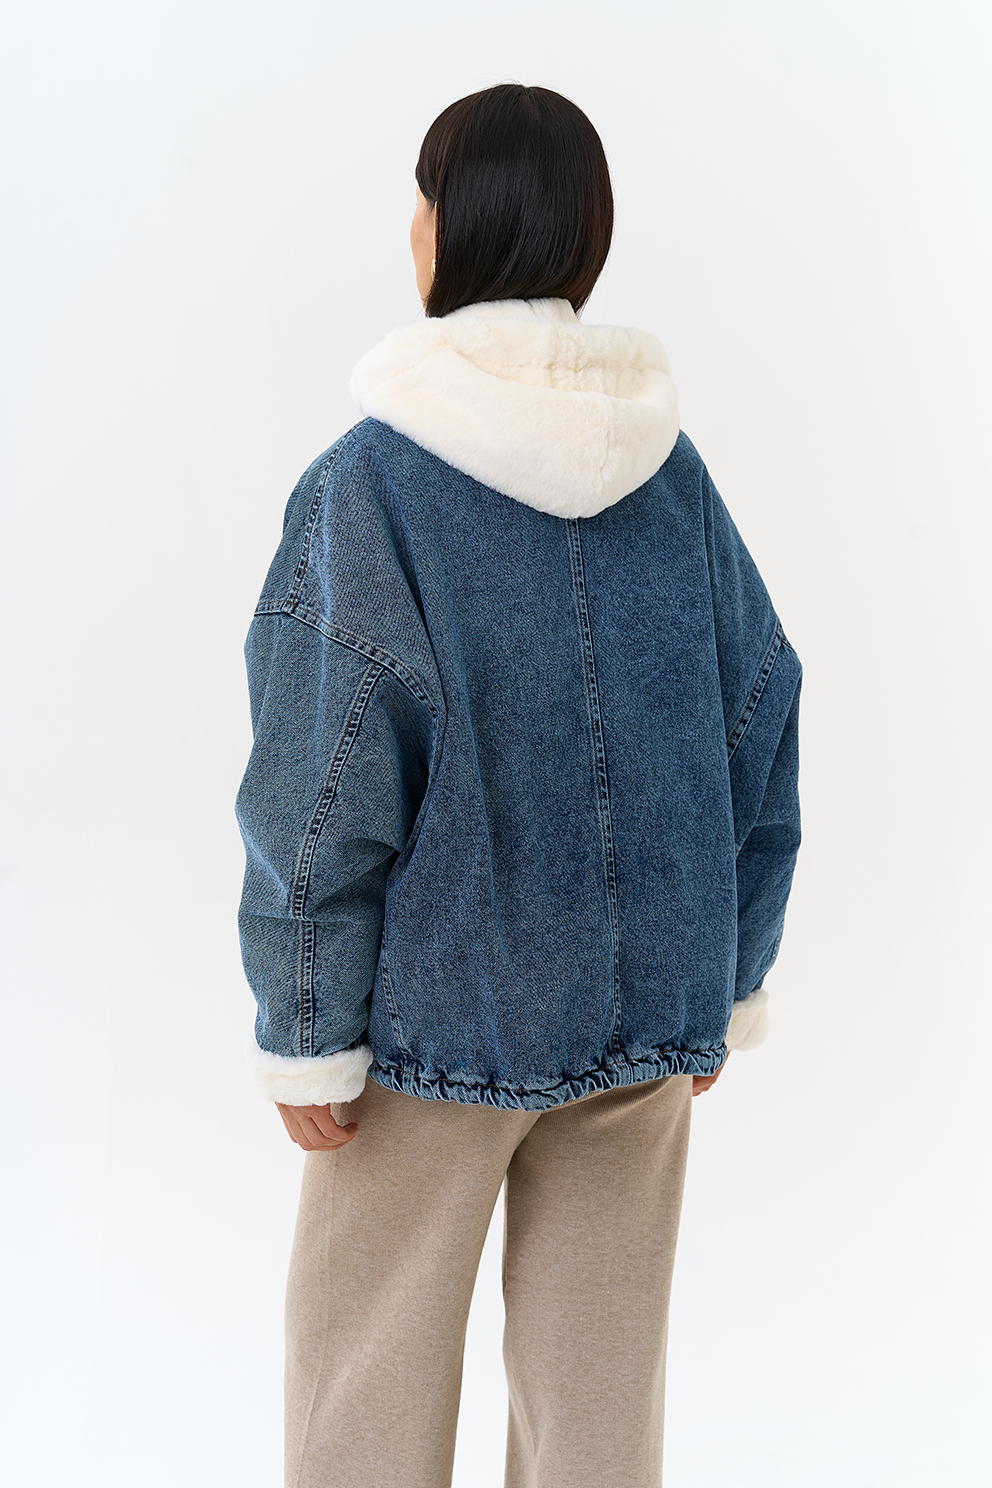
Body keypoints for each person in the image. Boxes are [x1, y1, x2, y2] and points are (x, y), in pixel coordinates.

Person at [235, 82, 802, 1488]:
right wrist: (725, 976)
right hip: (643, 1021)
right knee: (599, 1405)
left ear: (445, 230)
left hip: (431, 1029)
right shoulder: (672, 480)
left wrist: (306, 1028)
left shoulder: (372, 485)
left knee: (364, 1389)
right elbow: (761, 714)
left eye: (420, 201)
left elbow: (321, 781)